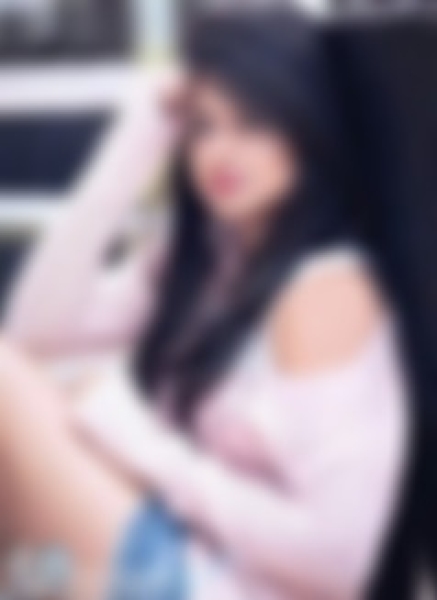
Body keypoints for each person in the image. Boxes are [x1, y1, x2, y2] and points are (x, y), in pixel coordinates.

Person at [1, 8, 409, 600]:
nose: (220, 151)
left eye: (252, 123)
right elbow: (34, 331)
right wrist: (133, 144)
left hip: (217, 585)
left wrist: (145, 446)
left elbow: (340, 558)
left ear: (305, 125)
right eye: (203, 126)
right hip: (177, 558)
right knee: (17, 565)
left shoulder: (326, 293)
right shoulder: (204, 261)